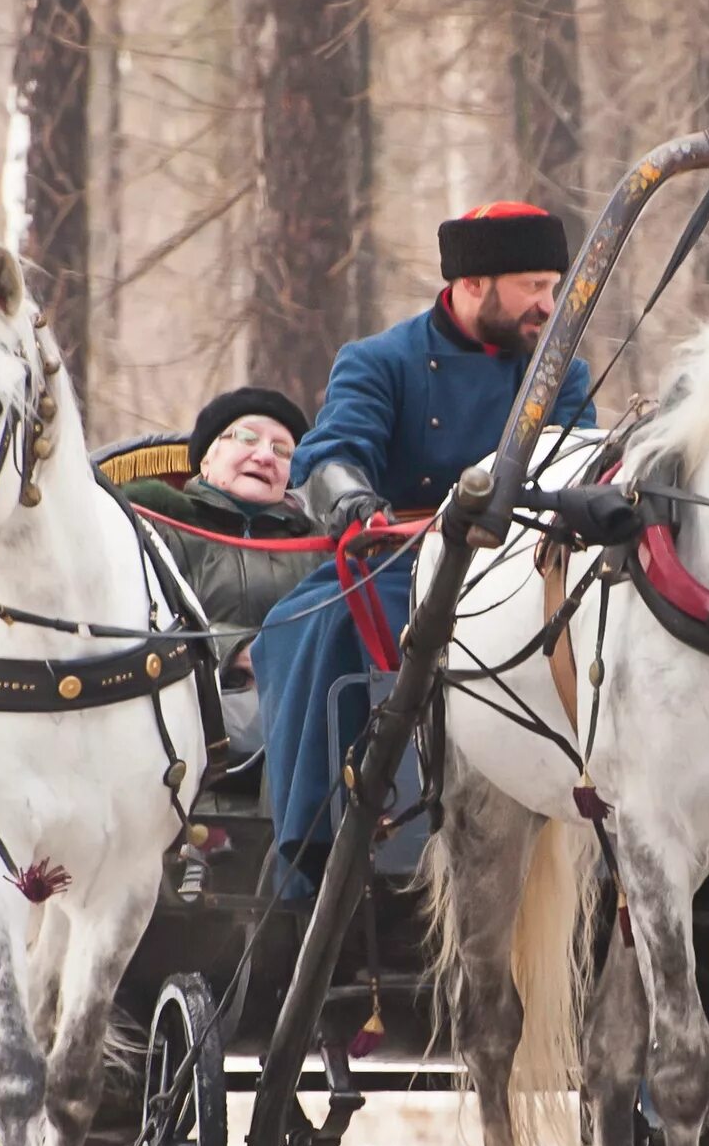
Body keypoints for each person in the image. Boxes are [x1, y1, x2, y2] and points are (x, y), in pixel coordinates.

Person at [250, 201, 595, 888]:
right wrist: (353, 500)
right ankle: (323, 838)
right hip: (399, 560)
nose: (548, 307)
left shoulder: (560, 375)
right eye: (533, 287)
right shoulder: (381, 361)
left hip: (523, 571)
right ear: (473, 285)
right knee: (315, 621)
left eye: (554, 288)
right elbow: (331, 453)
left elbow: (578, 464)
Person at [120, 387, 321, 762]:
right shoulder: (153, 527)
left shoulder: (317, 547)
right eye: (247, 438)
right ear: (206, 459)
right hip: (176, 718)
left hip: (297, 719)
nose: (264, 456)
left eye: (282, 451)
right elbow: (128, 623)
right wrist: (238, 650)